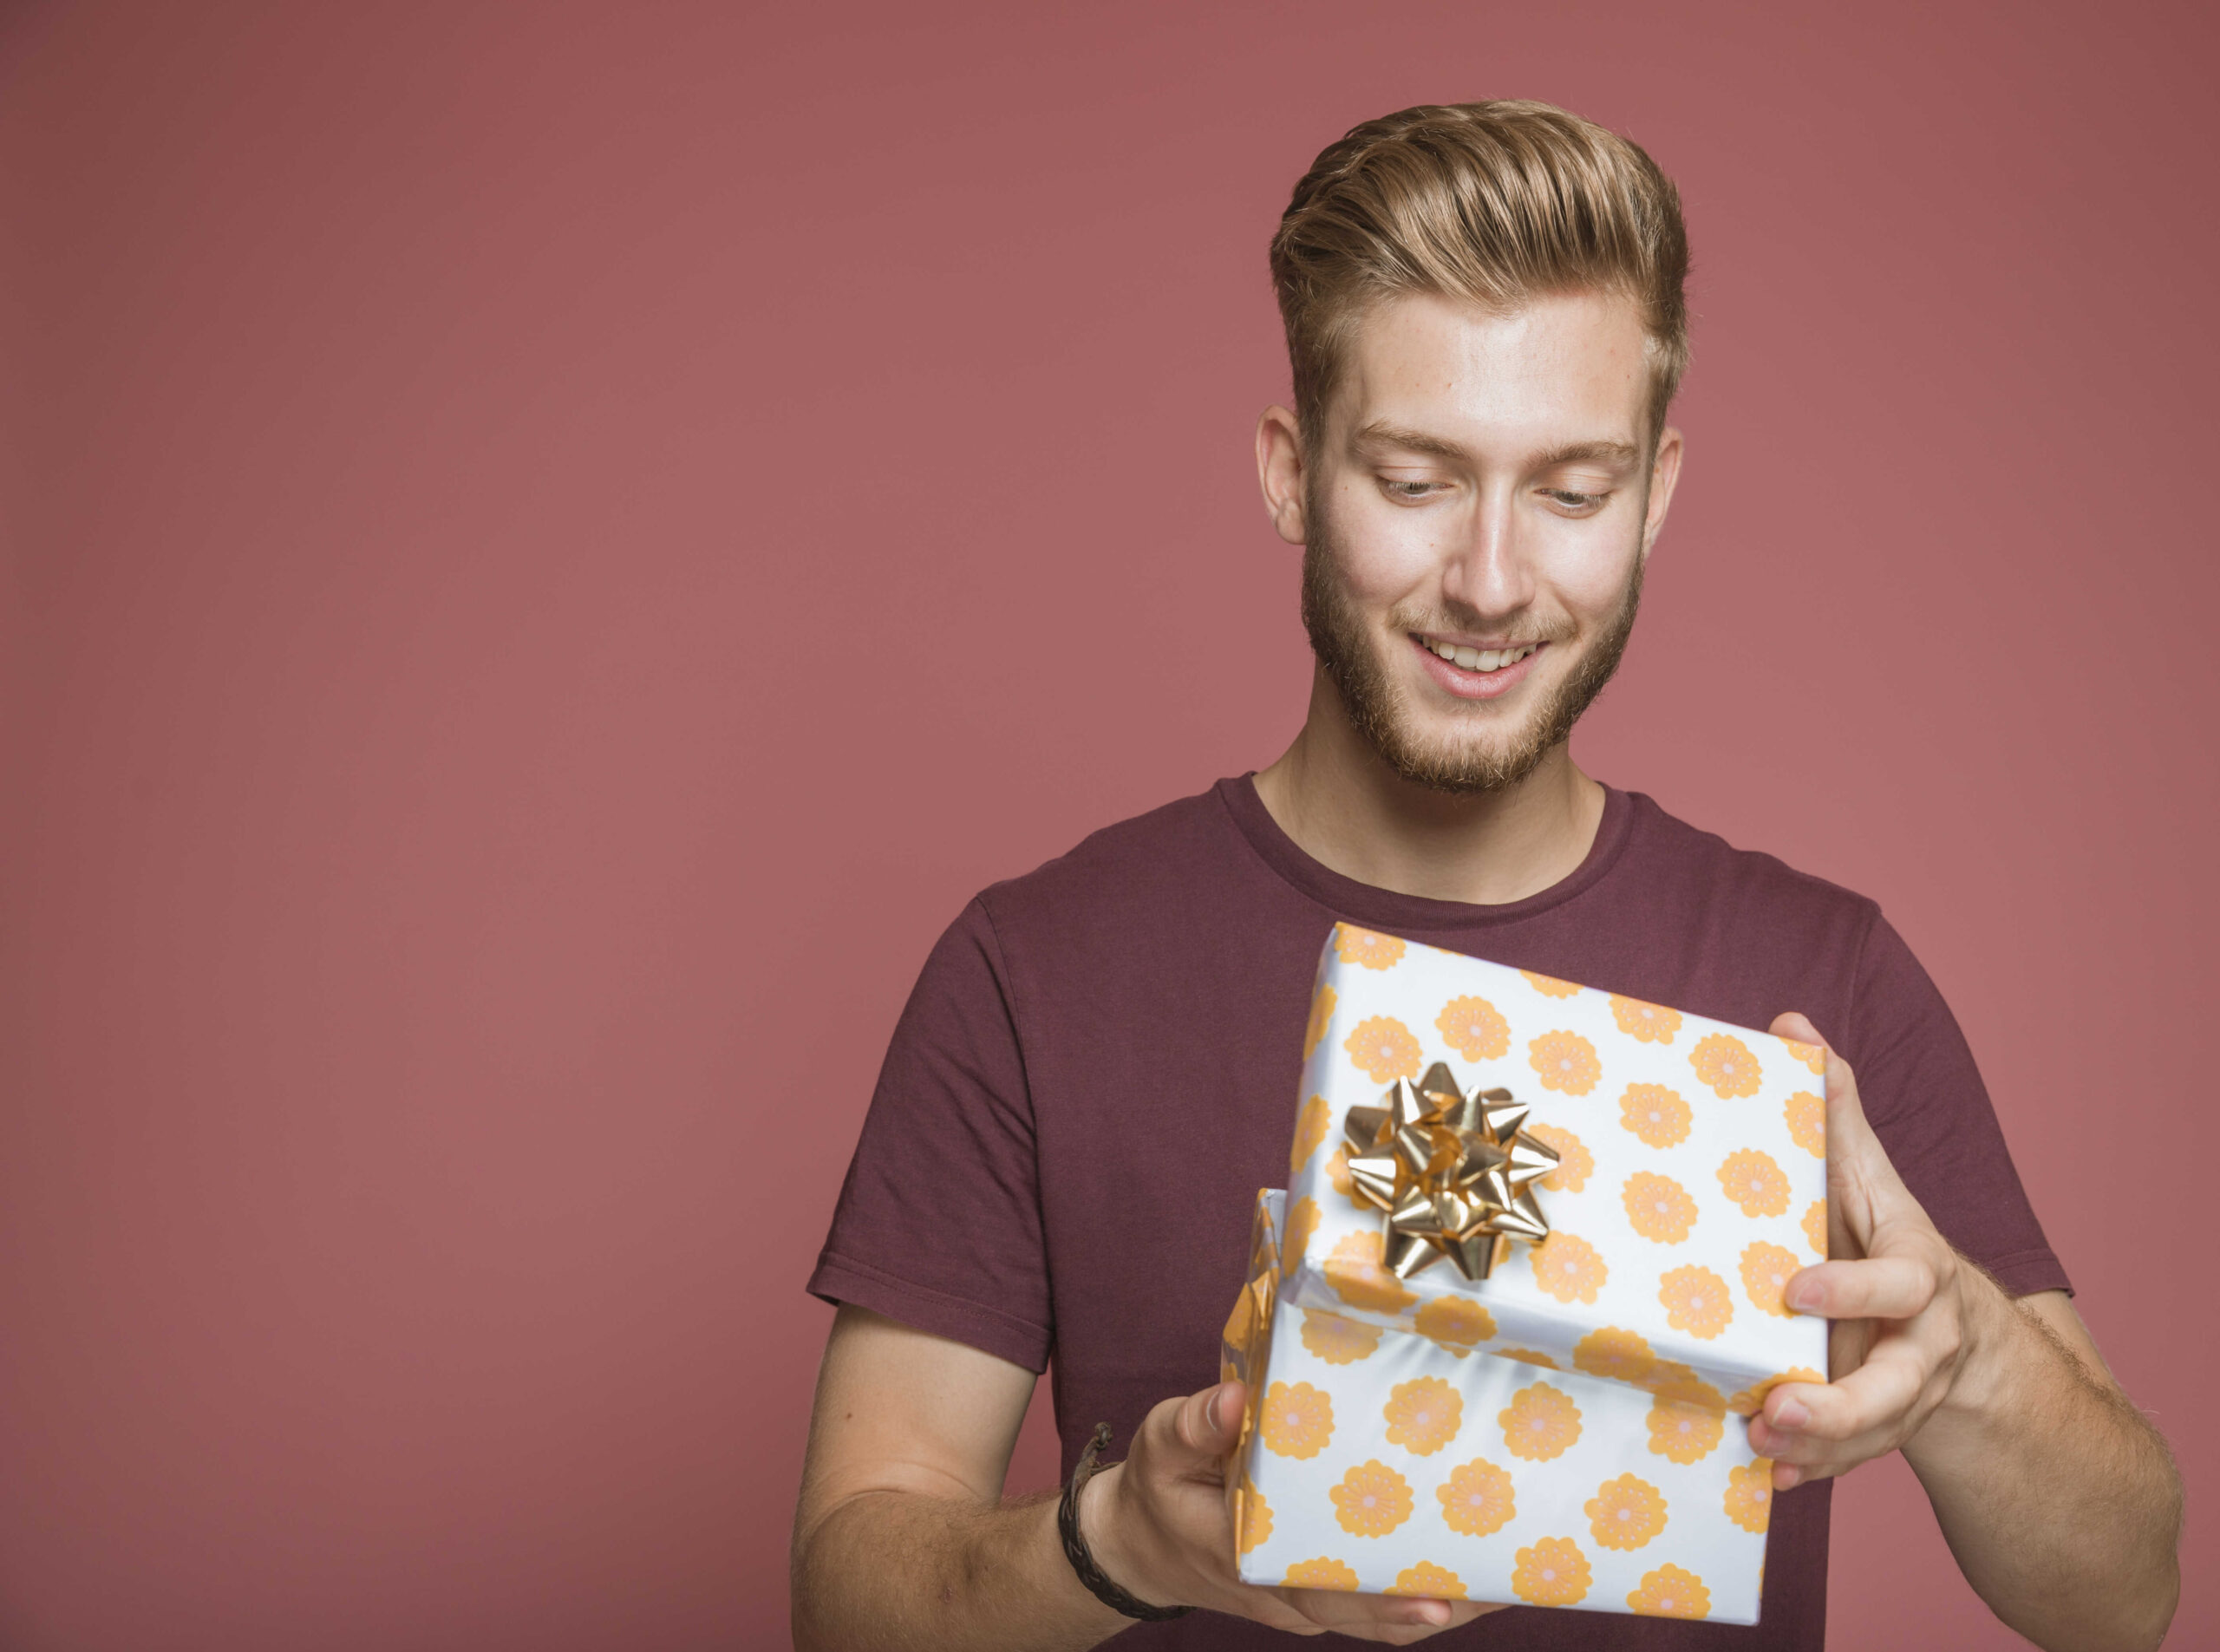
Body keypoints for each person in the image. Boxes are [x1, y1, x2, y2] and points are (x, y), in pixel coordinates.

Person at [787, 101, 2181, 1649]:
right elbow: (851, 1599)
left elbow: (2125, 1597)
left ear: (1654, 493)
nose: (1494, 581)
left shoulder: (1822, 982)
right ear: (1289, 470)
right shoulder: (1033, 971)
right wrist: (1118, 1541)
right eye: (1416, 478)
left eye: (1571, 493)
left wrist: (1967, 1347)